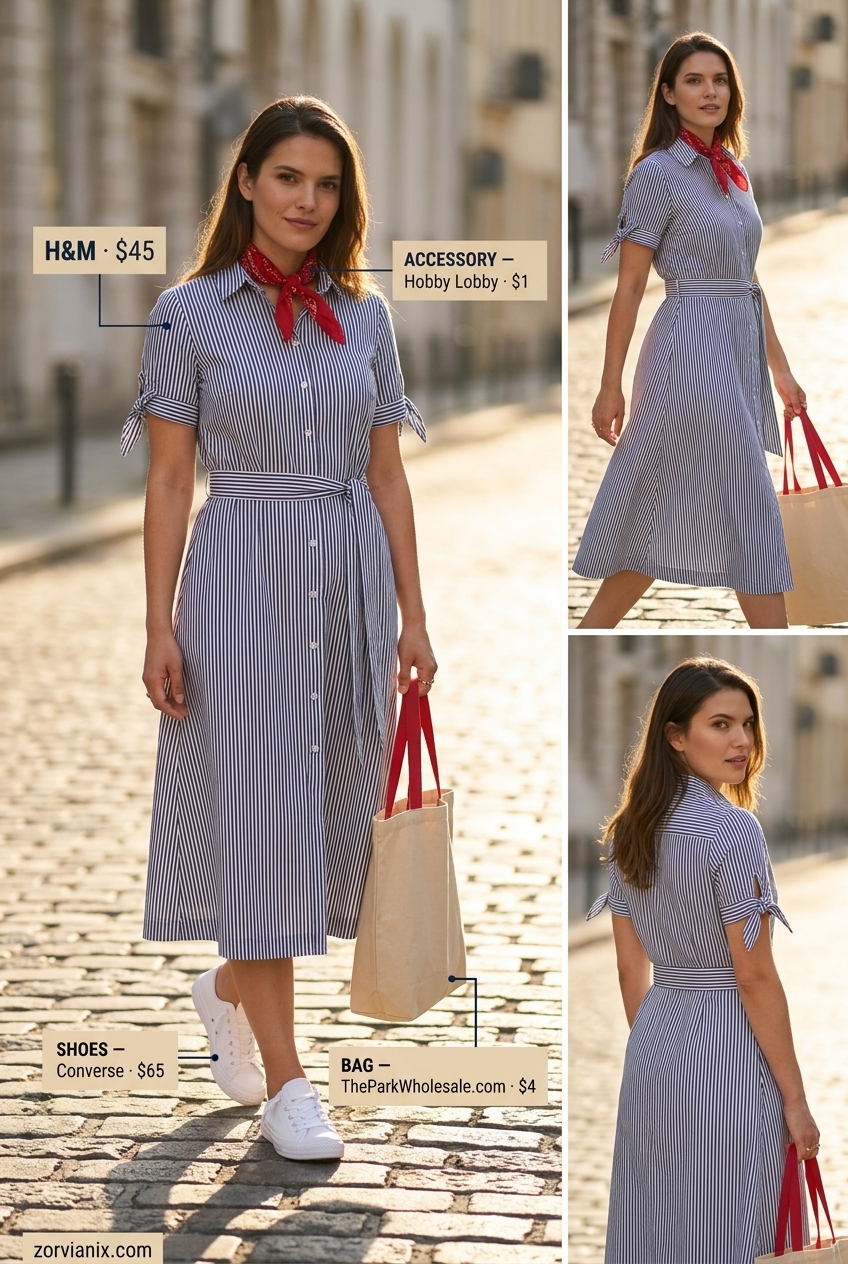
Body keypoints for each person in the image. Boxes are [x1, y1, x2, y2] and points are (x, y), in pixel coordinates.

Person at [121, 96, 437, 1161]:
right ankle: (289, 1083)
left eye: (327, 183)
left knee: (325, 830)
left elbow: (388, 477)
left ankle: (228, 989)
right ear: (247, 181)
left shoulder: (370, 317)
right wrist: (157, 624)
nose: (308, 200)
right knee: (259, 826)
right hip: (240, 581)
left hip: (347, 584)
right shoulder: (185, 313)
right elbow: (170, 481)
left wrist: (415, 616)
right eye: (288, 177)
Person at [586, 657, 819, 1263]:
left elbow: (627, 966)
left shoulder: (629, 831)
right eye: (720, 724)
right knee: (739, 1225)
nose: (741, 740)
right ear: (676, 736)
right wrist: (795, 1101)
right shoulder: (734, 830)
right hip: (729, 1051)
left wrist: (658, 1047)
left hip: (654, 1044)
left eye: (747, 724)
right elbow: (755, 975)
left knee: (658, 1226)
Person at [572, 32, 806, 629]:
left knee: (657, 510)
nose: (710, 92)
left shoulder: (734, 173)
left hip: (738, 351)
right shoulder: (657, 173)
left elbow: (749, 280)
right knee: (753, 506)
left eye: (720, 80)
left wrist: (781, 373)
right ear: (670, 95)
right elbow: (627, 287)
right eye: (695, 81)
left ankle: (593, 628)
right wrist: (609, 386)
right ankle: (774, 635)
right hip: (689, 355)